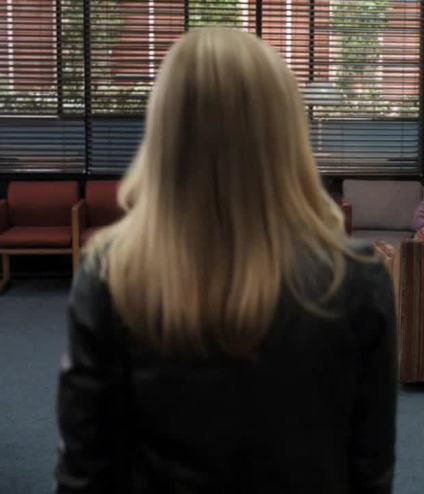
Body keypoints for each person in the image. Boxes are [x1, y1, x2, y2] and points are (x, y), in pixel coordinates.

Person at [56, 28, 396, 493]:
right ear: (285, 132)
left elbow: (84, 473)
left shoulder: (111, 275)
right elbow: (370, 470)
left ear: (165, 132)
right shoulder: (356, 278)